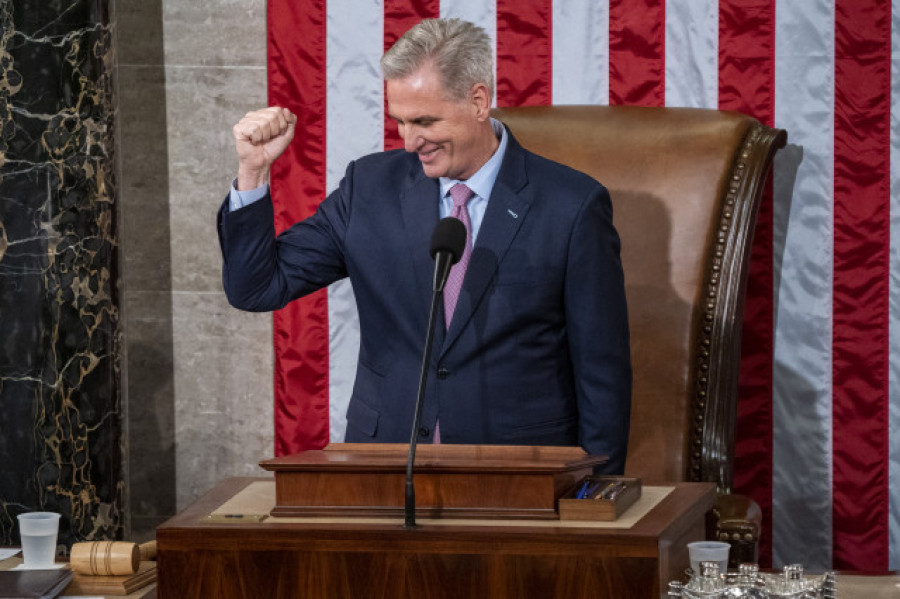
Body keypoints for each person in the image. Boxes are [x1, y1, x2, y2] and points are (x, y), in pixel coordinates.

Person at [218, 18, 632, 473]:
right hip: (386, 464)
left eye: (424, 121)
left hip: (518, 473)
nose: (409, 140)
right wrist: (253, 173)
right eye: (399, 121)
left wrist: (596, 499)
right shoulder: (368, 189)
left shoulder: (570, 206)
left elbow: (602, 372)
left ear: (479, 101)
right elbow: (256, 287)